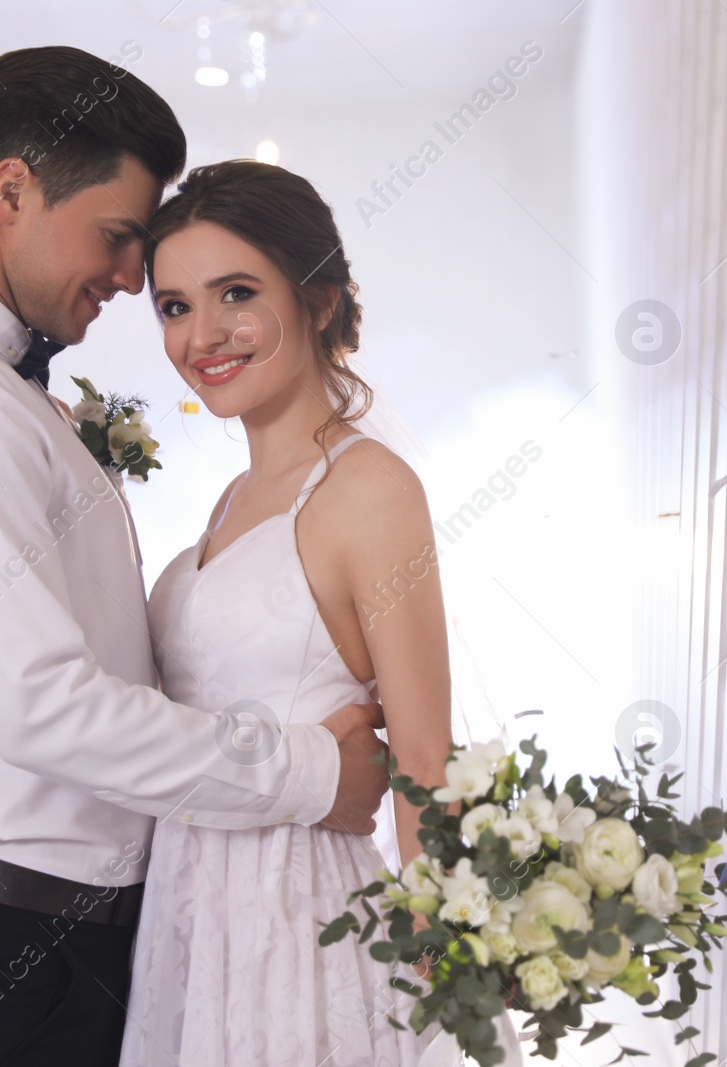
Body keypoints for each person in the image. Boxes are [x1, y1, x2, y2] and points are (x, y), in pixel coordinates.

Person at [0, 48, 390, 1067]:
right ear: (11, 189)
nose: (135, 279)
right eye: (120, 237)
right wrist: (313, 770)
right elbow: (44, 702)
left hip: (56, 949)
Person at [117, 160, 458, 1066]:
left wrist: (438, 949)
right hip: (190, 917)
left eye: (236, 293)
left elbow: (424, 754)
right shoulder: (231, 497)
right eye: (174, 305)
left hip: (302, 916)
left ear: (317, 300)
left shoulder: (368, 488)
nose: (202, 334)